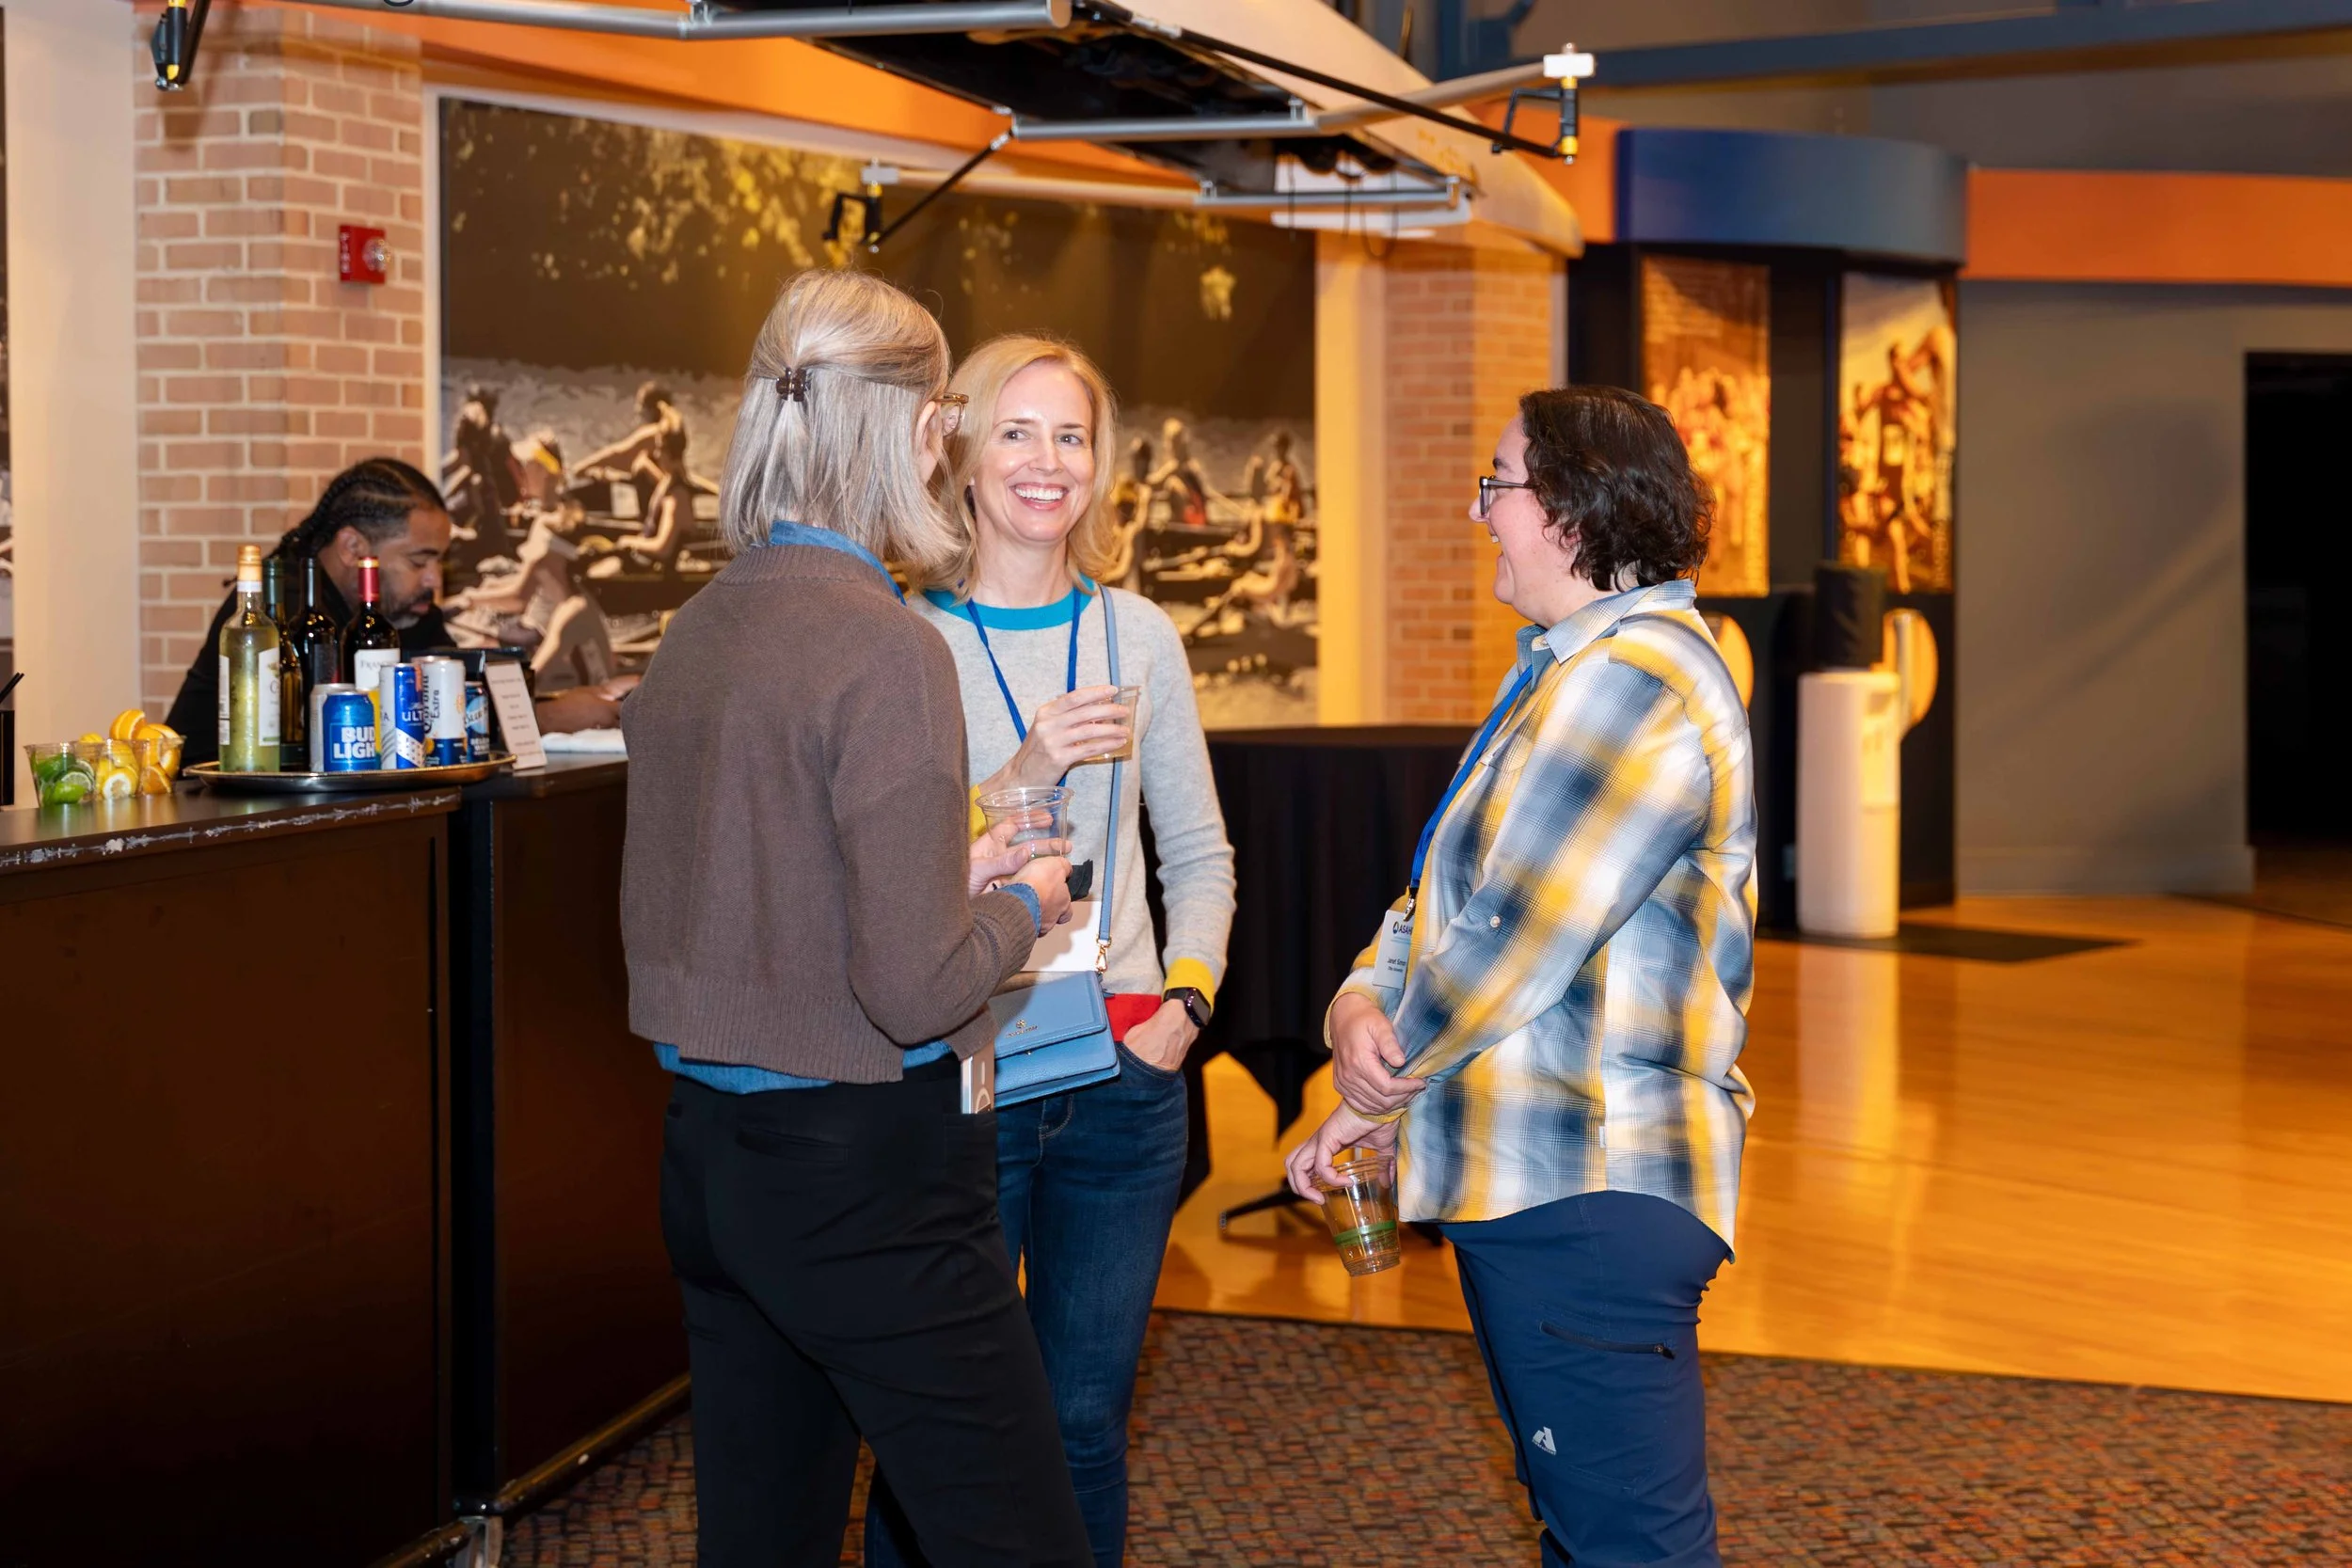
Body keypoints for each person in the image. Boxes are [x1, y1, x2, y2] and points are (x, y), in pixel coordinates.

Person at [621, 272, 1092, 1568]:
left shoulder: (699, 626)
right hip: (861, 1169)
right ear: (911, 428)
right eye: (944, 411)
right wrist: (1018, 903)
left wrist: (949, 865)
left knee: (760, 1538)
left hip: (709, 1160)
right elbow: (915, 987)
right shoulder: (888, 644)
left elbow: (744, 900)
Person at [1285, 385, 1757, 1568]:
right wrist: (1358, 998)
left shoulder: (1633, 678)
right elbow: (1438, 892)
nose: (1478, 510)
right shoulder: (1566, 667)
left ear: (1569, 512)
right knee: (1588, 1531)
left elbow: (1511, 939)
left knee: (1626, 1546)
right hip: (1542, 1182)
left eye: (1495, 485)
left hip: (1588, 1180)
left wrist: (1367, 1096)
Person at [866, 336, 1236, 1568]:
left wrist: (1187, 994)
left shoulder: (1140, 635)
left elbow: (1201, 851)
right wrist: (1021, 773)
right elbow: (882, 863)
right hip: (960, 1060)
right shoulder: (906, 637)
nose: (1045, 460)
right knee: (945, 1414)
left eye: (1069, 435)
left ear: (1099, 466)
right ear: (964, 456)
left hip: (1121, 1071)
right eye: (1016, 432)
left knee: (1082, 1419)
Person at [165, 458, 630, 767]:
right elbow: (335, 732)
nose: (434, 580)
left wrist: (567, 703)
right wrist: (548, 719)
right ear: (353, 547)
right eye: (419, 560)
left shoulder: (402, 607)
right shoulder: (277, 609)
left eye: (438, 562)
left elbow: (448, 702)